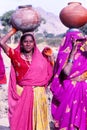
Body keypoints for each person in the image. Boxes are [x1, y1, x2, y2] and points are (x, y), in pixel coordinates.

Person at [0, 28, 54, 130]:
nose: (28, 44)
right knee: (21, 120)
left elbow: (49, 73)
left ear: (34, 43)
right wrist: (14, 29)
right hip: (22, 92)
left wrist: (51, 59)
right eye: (25, 42)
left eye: (30, 41)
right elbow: (1, 42)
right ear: (21, 44)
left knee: (37, 122)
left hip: (39, 94)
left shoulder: (41, 59)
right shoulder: (15, 56)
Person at [50, 28, 87, 130]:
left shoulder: (85, 54)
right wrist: (72, 54)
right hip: (68, 90)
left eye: (80, 40)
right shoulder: (63, 54)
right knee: (66, 120)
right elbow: (66, 72)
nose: (77, 42)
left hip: (82, 90)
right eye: (75, 40)